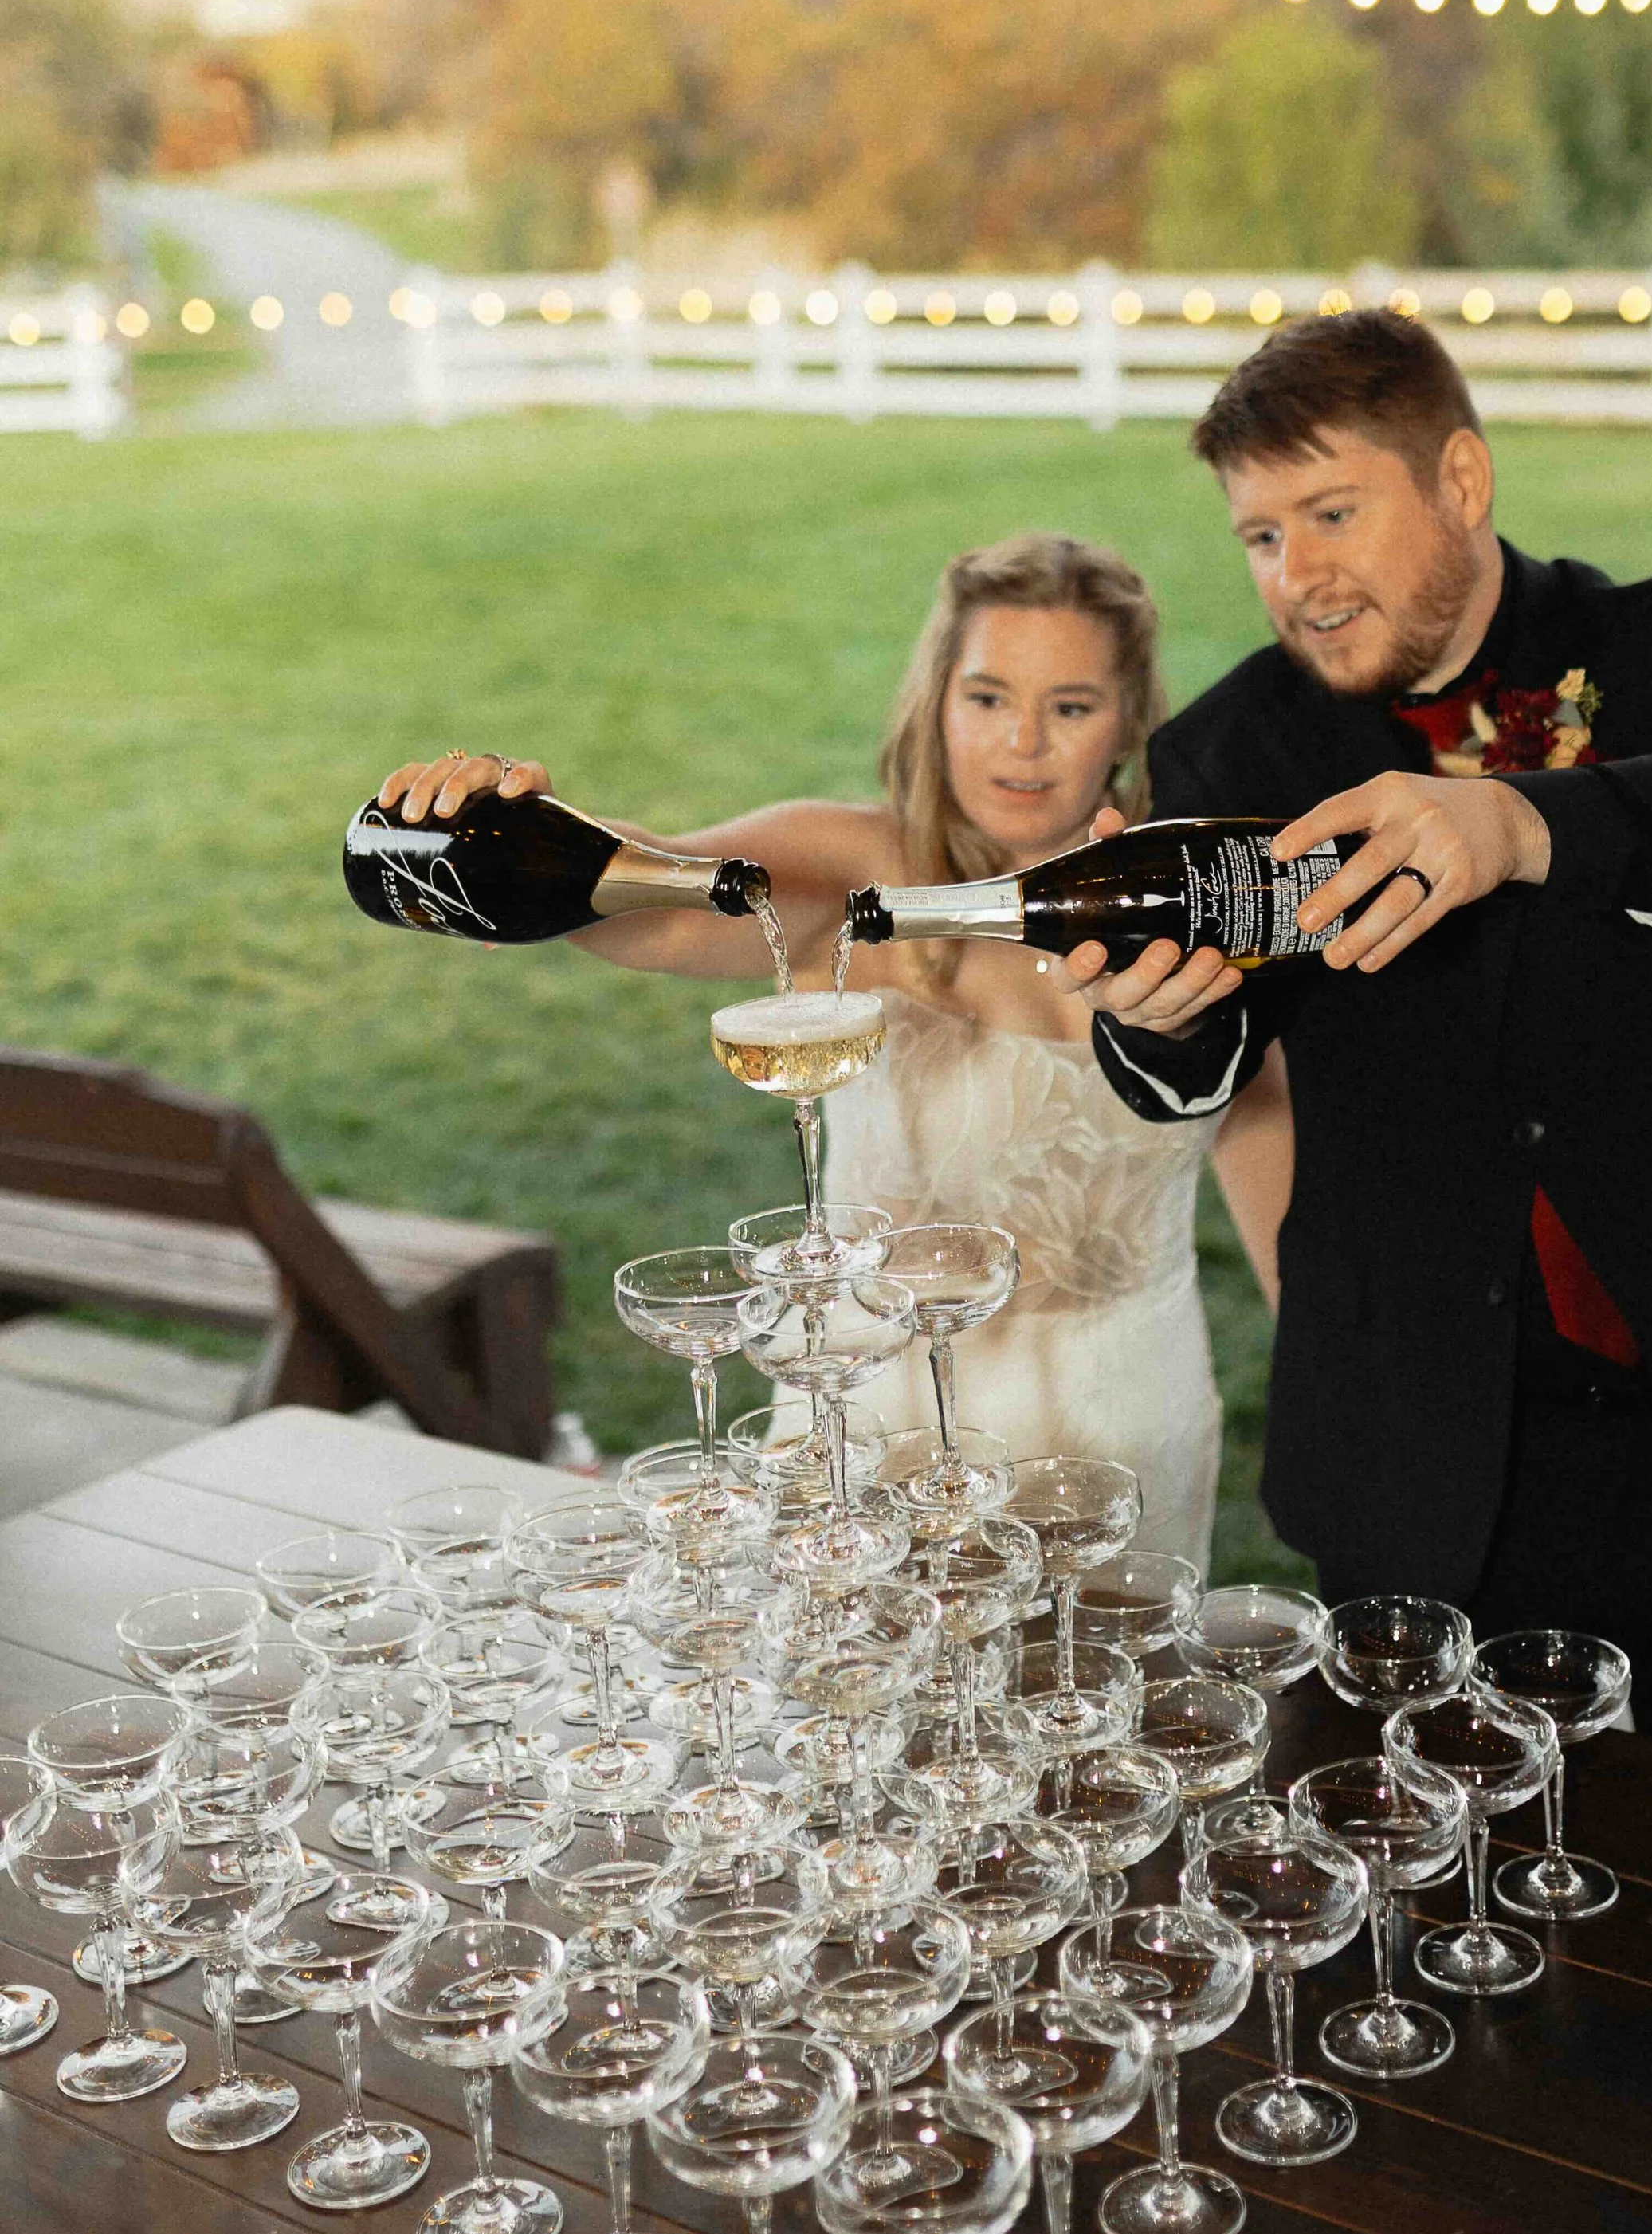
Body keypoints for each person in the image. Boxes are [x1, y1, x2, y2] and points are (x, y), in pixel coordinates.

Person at [1072, 307, 1652, 1786]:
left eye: (1331, 513)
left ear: (1463, 480)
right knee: (1441, 1906)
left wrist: (1521, 824)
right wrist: (1162, 1023)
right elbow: (1209, 1041)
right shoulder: (1234, 753)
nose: (1297, 578)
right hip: (1428, 1432)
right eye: (1258, 537)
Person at [381, 533, 1292, 1572]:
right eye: (988, 697)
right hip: (877, 1443)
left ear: (1130, 719)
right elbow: (654, 893)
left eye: (1070, 706)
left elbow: (1281, 1189)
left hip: (1125, 1439)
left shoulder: (1200, 902)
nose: (1023, 742)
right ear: (936, 699)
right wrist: (507, 824)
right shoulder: (861, 870)